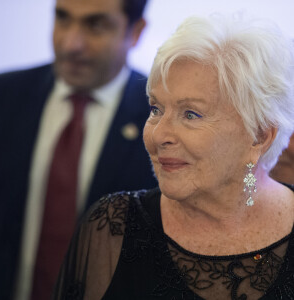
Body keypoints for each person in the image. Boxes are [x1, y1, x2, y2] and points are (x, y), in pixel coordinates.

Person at [53, 13, 294, 300]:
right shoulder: (111, 227)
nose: (158, 135)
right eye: (156, 109)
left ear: (259, 136)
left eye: (191, 114)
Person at [0, 0, 157, 299]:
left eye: (95, 24)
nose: (71, 43)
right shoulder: (2, 98)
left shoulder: (161, 122)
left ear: (135, 31)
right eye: (62, 19)